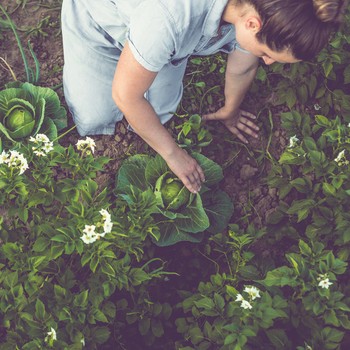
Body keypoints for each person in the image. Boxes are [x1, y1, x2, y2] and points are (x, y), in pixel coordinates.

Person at [61, 0, 346, 193]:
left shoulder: (259, 8)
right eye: (267, 55)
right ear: (252, 24)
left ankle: (148, 61)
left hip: (161, 41)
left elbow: (243, 62)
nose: (268, 64)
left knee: (159, 114)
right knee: (94, 118)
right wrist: (174, 155)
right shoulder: (170, 17)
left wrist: (230, 109)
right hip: (102, 24)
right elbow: (126, 96)